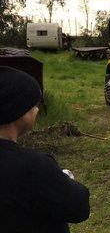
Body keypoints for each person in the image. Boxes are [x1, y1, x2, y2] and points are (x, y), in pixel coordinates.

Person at [0, 66, 90, 233]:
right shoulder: (33, 167)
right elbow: (79, 207)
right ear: (18, 110)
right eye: (35, 103)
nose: (38, 109)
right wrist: (64, 178)